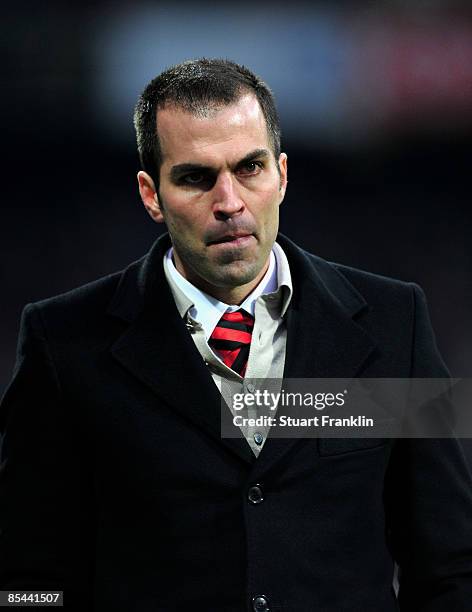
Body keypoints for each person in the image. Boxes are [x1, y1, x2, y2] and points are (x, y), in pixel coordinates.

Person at [1, 58, 471, 612]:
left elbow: (450, 565)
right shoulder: (64, 343)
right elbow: (27, 580)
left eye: (250, 167)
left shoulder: (396, 323)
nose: (229, 202)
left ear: (282, 174)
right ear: (151, 195)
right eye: (196, 177)